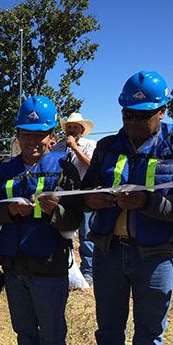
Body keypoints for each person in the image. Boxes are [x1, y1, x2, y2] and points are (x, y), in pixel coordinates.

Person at [82, 71, 173, 345]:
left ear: (162, 110)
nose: (133, 122)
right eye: (127, 114)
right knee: (109, 328)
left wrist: (147, 203)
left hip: (156, 256)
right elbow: (84, 192)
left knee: (149, 332)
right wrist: (92, 199)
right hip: (109, 253)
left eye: (142, 115)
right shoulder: (108, 146)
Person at [0, 96, 82, 345]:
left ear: (51, 136)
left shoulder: (64, 168)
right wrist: (11, 210)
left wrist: (55, 210)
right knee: (25, 333)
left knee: (52, 336)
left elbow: (75, 220)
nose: (32, 140)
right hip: (14, 269)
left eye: (39, 134)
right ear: (17, 135)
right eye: (26, 133)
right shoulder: (4, 170)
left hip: (49, 268)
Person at [53, 112, 97, 284]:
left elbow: (92, 166)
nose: (71, 130)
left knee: (87, 234)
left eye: (75, 127)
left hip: (84, 193)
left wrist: (75, 148)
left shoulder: (90, 145)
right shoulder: (58, 147)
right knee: (63, 231)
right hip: (63, 195)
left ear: (82, 129)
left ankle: (89, 271)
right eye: (68, 127)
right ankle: (67, 268)